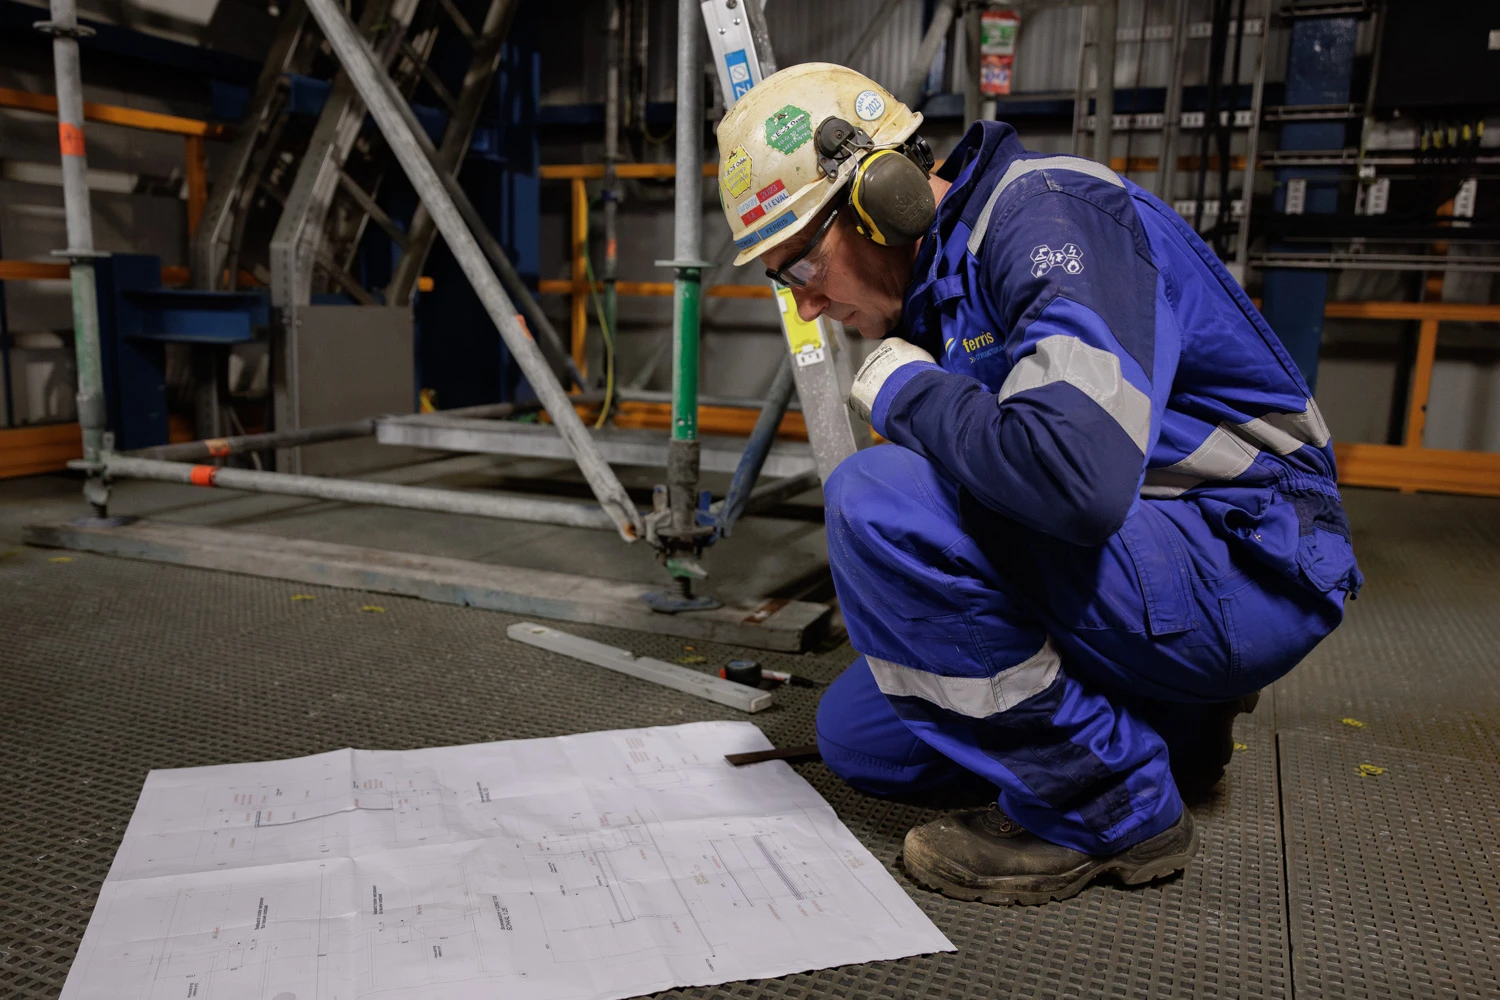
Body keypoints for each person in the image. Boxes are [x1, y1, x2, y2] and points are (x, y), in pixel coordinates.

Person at [714, 64, 1362, 905]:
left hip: (1248, 559)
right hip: (1153, 553)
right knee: (859, 739)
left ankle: (1110, 807)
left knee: (878, 495)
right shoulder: (940, 293)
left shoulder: (1049, 215)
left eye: (801, 270)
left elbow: (1074, 482)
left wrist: (907, 391)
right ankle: (1174, 724)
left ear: (886, 195)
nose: (806, 309)